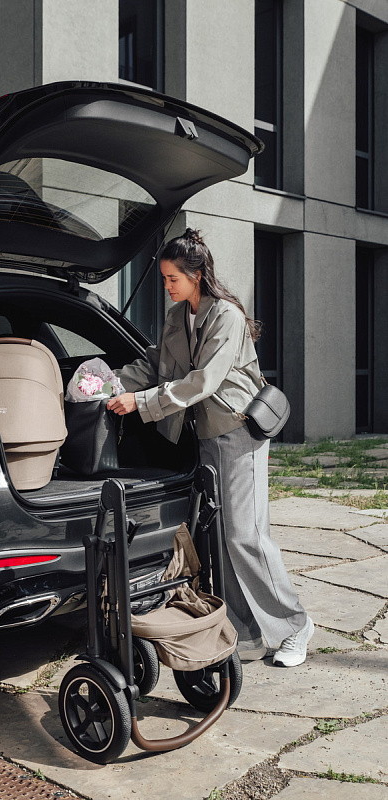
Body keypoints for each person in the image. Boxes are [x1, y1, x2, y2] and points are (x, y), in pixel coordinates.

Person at [107, 228, 314, 667]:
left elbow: (203, 380)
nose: (167, 286)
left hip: (239, 433)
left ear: (196, 275)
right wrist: (107, 382)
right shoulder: (177, 316)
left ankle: (294, 625)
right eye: (164, 279)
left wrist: (141, 403)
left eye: (173, 278)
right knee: (220, 538)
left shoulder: (227, 316)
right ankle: (247, 633)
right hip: (205, 436)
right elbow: (156, 364)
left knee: (246, 536)